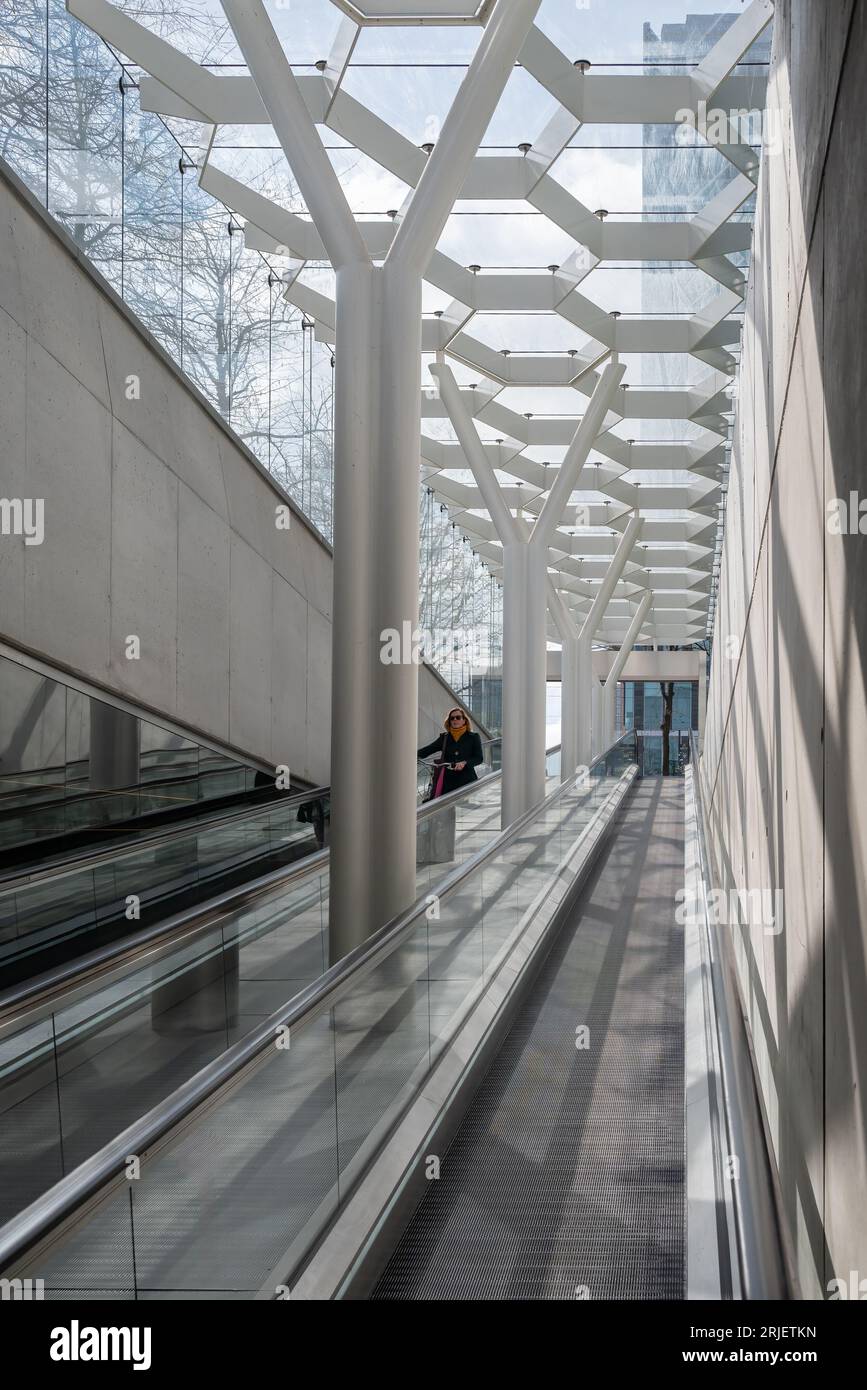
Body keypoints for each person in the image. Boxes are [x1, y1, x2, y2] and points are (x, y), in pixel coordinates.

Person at [418, 708, 484, 799]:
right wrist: (411, 755)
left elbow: (479, 758)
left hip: (467, 780)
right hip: (447, 782)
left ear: (464, 720)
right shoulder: (444, 737)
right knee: (448, 810)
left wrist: (465, 763)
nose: (455, 720)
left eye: (458, 717)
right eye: (452, 718)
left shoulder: (473, 737)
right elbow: (428, 750)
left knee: (467, 810)